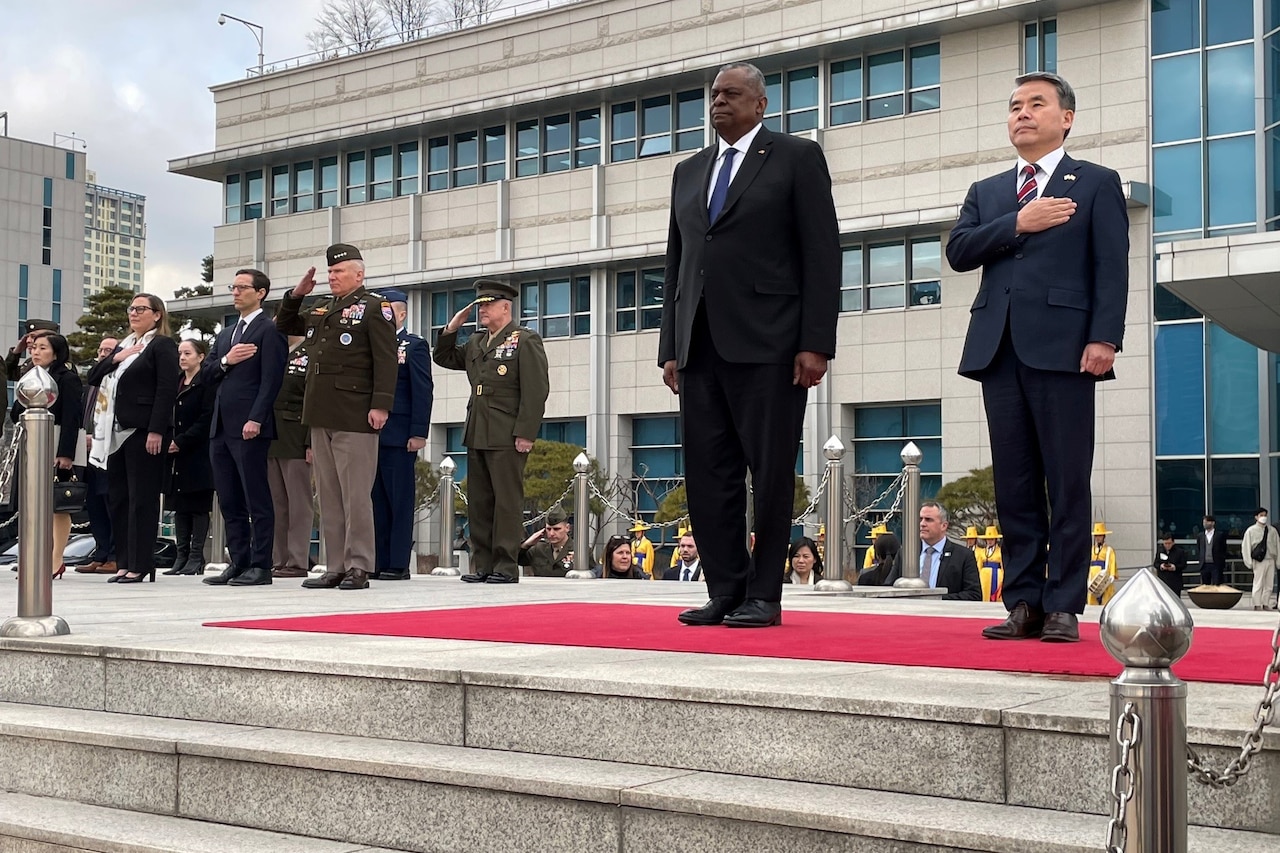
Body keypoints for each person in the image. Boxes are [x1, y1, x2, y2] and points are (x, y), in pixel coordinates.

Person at [947, 72, 1129, 643]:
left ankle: (1063, 603)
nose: (1021, 114)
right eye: (1013, 107)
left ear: (1066, 118)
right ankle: (1022, 600)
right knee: (1014, 482)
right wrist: (1017, 223)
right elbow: (958, 251)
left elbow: (1112, 266)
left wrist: (1105, 338)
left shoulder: (1096, 182)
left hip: (1067, 350)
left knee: (1067, 479)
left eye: (1035, 104)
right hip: (997, 347)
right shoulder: (990, 190)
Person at [658, 61, 840, 629]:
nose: (719, 102)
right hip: (700, 347)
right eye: (714, 95)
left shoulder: (796, 157)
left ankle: (765, 593)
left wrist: (815, 343)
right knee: (709, 473)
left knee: (769, 472)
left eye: (732, 94)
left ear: (761, 104)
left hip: (771, 345)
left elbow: (821, 254)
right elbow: (677, 264)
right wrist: (671, 346)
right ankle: (725, 589)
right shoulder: (689, 171)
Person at [276, 244, 397, 591]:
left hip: (355, 412)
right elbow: (284, 324)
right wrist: (296, 295)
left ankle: (359, 565)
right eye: (330, 272)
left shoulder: (375, 307)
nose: (332, 277)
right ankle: (336, 565)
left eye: (339, 272)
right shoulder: (321, 307)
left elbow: (386, 359)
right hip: (320, 410)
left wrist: (381, 405)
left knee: (355, 495)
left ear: (358, 274)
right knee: (328, 495)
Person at [433, 279, 549, 585]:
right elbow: (443, 357)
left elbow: (536, 391)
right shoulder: (476, 342)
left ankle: (505, 566)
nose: (482, 310)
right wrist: (451, 328)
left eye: (487, 304)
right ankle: (482, 564)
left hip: (507, 431)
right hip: (478, 430)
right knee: (480, 502)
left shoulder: (524, 340)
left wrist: (526, 432)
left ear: (505, 307)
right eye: (480, 305)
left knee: (506, 502)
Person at [201, 269, 288, 588]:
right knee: (228, 498)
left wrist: (257, 418)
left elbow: (271, 380)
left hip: (250, 425)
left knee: (256, 497)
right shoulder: (226, 334)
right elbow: (207, 373)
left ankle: (262, 564)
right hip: (221, 426)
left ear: (260, 292)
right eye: (233, 287)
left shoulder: (269, 330)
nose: (235, 292)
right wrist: (227, 360)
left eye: (242, 287)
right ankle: (238, 561)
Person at [87, 293, 180, 584]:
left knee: (142, 499)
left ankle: (141, 563)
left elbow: (166, 390)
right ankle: (124, 562)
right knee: (119, 499)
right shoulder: (124, 346)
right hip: (114, 432)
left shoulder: (162, 346)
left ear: (157, 314)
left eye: (141, 309)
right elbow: (93, 376)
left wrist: (157, 430)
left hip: (143, 430)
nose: (134, 313)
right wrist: (116, 357)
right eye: (131, 308)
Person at [371, 288, 434, 581]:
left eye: (390, 311)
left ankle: (397, 563)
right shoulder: (371, 345)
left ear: (402, 314)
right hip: (371, 435)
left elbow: (422, 390)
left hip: (399, 435)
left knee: (399, 500)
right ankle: (377, 560)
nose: (385, 317)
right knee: (375, 502)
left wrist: (418, 432)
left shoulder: (413, 345)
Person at [9, 333, 82, 579]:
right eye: (34, 348)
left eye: (42, 348)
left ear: (56, 352)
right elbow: (15, 413)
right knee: (31, 503)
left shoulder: (68, 378)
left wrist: (66, 453)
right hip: (31, 443)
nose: (35, 352)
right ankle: (33, 556)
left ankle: (56, 558)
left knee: (57, 505)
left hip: (57, 444)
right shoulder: (29, 377)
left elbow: (73, 417)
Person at [164, 338, 215, 576]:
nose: (183, 358)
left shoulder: (205, 383)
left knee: (197, 506)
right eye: (180, 353)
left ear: (201, 356)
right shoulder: (175, 383)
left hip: (197, 451)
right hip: (175, 455)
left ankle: (196, 556)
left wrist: (181, 441)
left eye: (188, 353)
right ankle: (181, 555)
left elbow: (206, 418)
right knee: (179, 507)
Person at [857, 503, 981, 600]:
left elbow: (974, 595)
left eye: (928, 519)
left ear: (944, 525)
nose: (922, 524)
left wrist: (936, 599)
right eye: (920, 519)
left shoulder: (963, 556)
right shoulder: (905, 553)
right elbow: (890, 587)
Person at [267, 336, 313, 579]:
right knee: (277, 502)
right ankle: (279, 558)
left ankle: (297, 560)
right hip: (271, 434)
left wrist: (310, 441)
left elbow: (313, 398)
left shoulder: (310, 350)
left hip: (296, 434)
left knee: (298, 503)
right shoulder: (274, 350)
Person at [75, 337, 118, 575]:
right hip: (87, 452)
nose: (103, 354)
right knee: (94, 506)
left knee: (110, 503)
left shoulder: (117, 381)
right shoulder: (91, 383)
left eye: (109, 350)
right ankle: (101, 553)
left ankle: (115, 555)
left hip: (109, 450)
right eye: (100, 350)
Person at [517, 504, 595, 577]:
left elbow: (593, 573)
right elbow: (516, 560)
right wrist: (526, 544)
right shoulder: (539, 549)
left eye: (557, 529)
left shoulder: (581, 551)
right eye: (548, 529)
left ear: (567, 528)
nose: (551, 533)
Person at [1241, 508, 1279, 611]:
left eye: (1265, 515)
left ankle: (1265, 603)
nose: (1264, 517)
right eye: (1261, 515)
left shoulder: (1272, 530)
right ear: (1256, 517)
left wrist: (1278, 561)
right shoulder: (1251, 531)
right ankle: (1257, 604)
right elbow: (1246, 547)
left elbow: (1278, 546)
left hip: (1270, 559)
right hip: (1259, 561)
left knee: (1269, 584)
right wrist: (1249, 562)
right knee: (1258, 583)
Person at [1086, 522, 1119, 607]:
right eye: (1096, 536)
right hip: (1093, 580)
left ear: (1104, 536)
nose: (1098, 538)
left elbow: (1112, 562)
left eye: (1100, 535)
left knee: (1106, 601)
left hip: (1104, 580)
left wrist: (1112, 574)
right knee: (1092, 602)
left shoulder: (1109, 550)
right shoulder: (1091, 550)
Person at [1195, 515, 1227, 587]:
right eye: (1204, 522)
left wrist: (1221, 561)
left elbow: (1223, 549)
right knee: (1205, 586)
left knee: (1217, 585)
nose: (1205, 523)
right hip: (1204, 564)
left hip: (1216, 564)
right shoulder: (1200, 536)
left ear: (1213, 523)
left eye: (1207, 522)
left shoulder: (1220, 535)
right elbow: (1199, 548)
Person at [1153, 532, 1187, 597]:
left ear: (1173, 542)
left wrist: (1174, 567)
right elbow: (1156, 563)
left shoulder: (1179, 552)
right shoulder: (1160, 551)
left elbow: (1183, 565)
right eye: (1165, 543)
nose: (1167, 545)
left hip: (1175, 582)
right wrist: (1161, 566)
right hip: (1163, 581)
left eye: (1169, 543)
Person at [979, 525, 1005, 603]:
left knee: (997, 595)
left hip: (997, 575)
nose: (990, 541)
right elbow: (979, 565)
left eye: (992, 539)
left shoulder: (1000, 551)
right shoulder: (982, 551)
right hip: (984, 576)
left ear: (995, 540)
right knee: (984, 593)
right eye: (988, 539)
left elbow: (1003, 566)